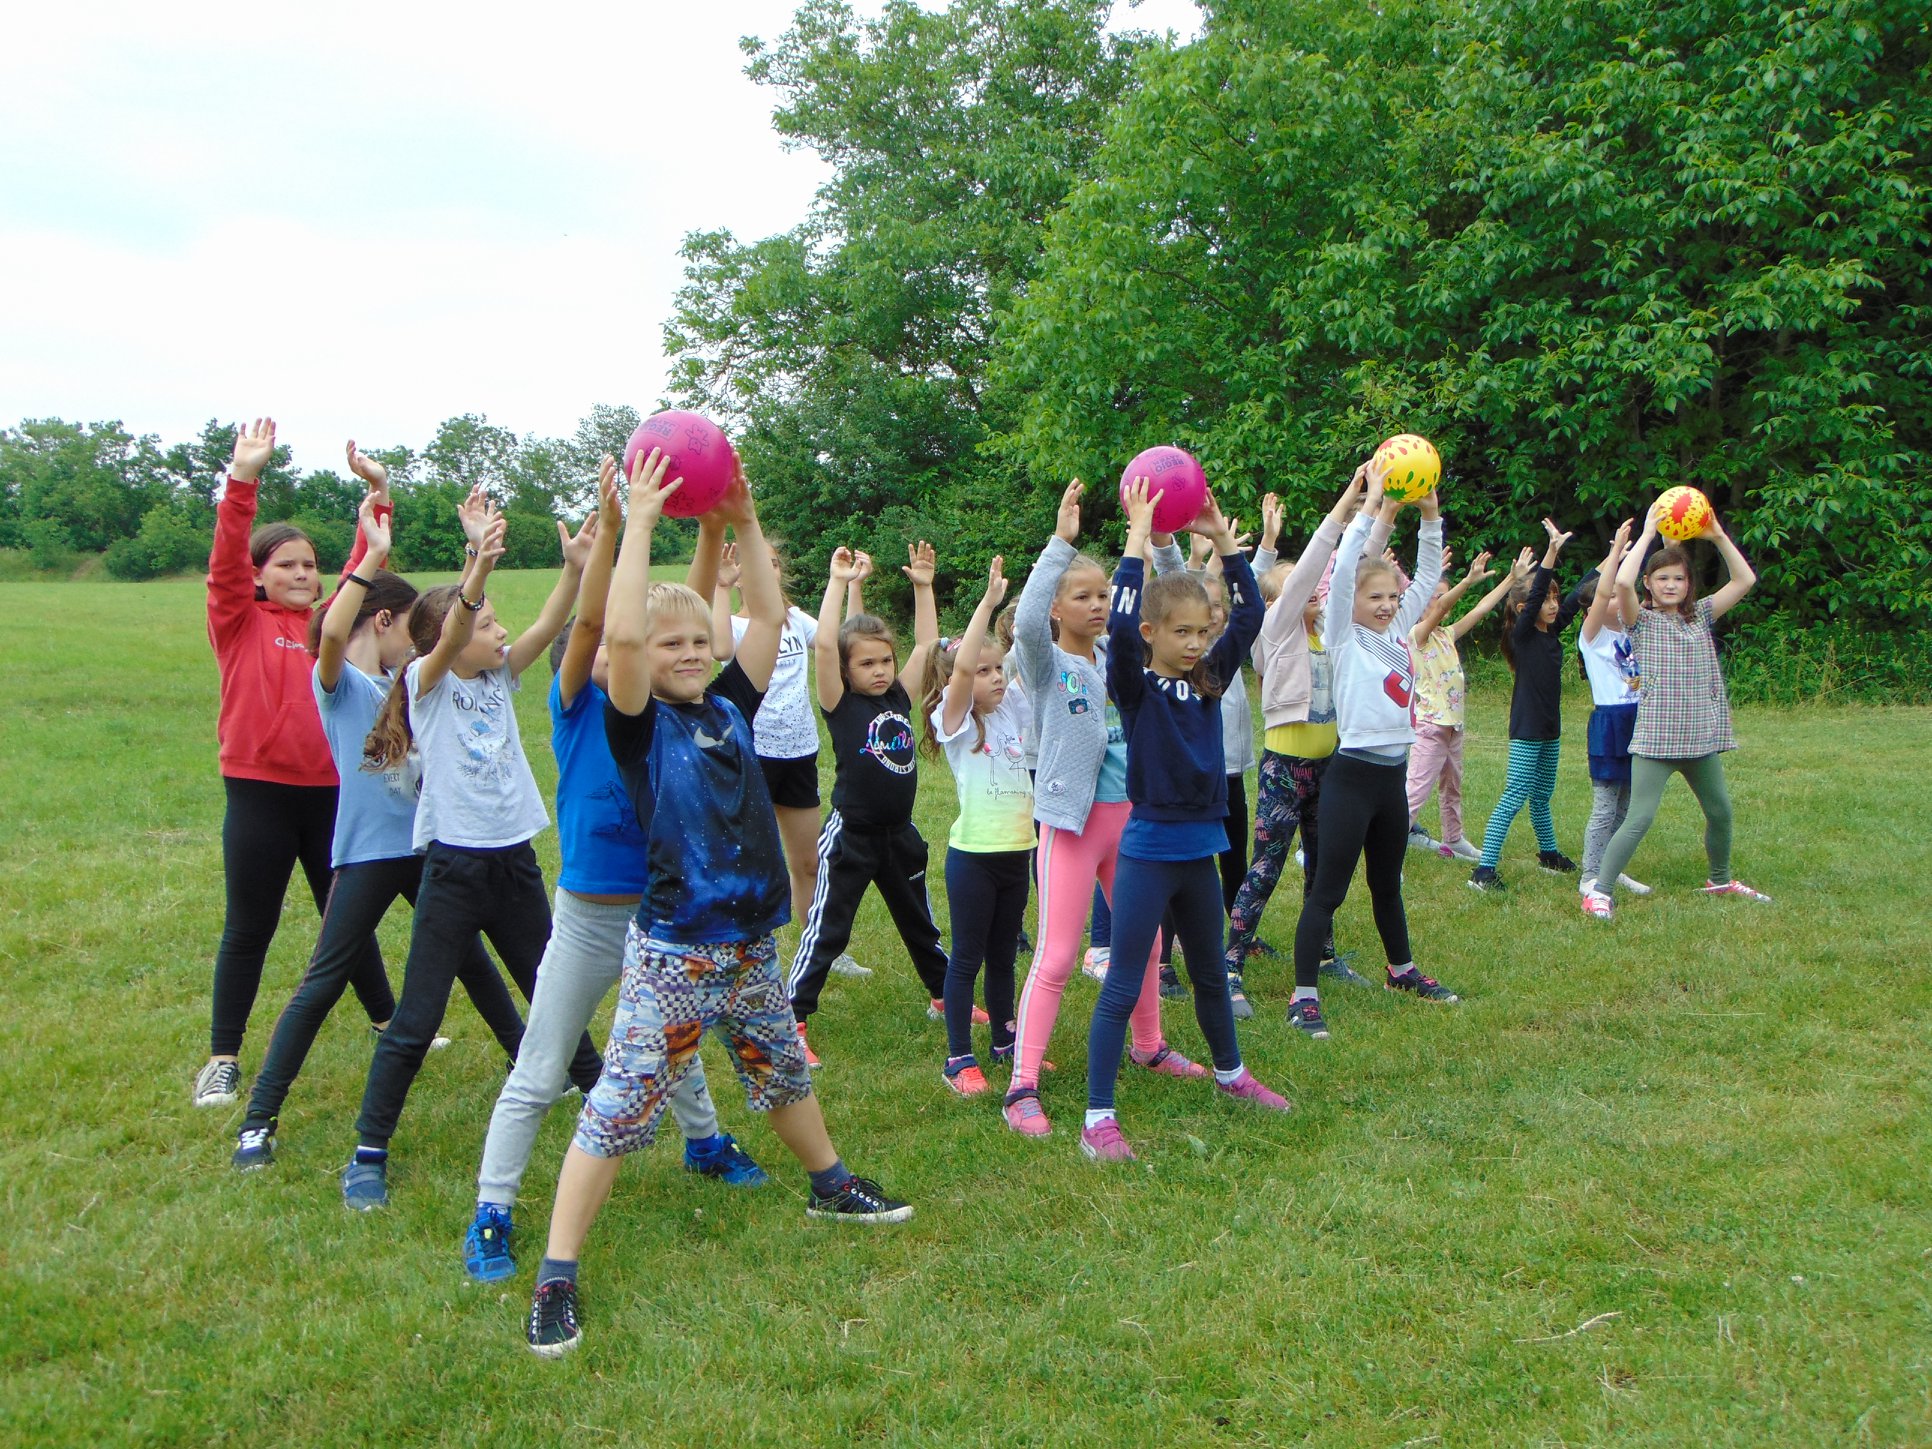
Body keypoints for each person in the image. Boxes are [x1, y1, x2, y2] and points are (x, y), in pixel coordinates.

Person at [526, 451, 911, 1359]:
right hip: (675, 953)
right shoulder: (636, 722)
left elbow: (768, 617)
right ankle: (556, 1275)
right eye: (674, 646)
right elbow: (623, 640)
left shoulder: (728, 705)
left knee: (781, 1073)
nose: (691, 654)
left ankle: (830, 1183)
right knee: (620, 1107)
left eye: (700, 642)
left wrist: (743, 518)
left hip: (748, 944)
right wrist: (639, 523)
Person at [463, 457, 765, 1284]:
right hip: (591, 918)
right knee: (542, 1064)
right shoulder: (578, 706)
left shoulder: (668, 707)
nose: (614, 648)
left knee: (675, 1044)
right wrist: (616, 531)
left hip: (665, 914)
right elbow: (600, 622)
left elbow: (681, 615)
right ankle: (493, 1208)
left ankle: (705, 1142)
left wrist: (708, 528)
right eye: (598, 647)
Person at [232, 474, 526, 1170]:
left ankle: (534, 1063)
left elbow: (454, 626)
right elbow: (334, 631)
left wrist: (476, 552)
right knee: (324, 980)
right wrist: (371, 552)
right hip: (366, 854)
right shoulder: (339, 686)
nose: (418, 643)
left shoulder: (415, 684)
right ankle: (259, 1119)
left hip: (427, 848)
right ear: (384, 621)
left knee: (473, 959)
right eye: (406, 629)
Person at [340, 498, 602, 1211]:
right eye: (488, 626)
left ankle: (603, 1098)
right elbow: (456, 625)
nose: (500, 632)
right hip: (454, 870)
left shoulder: (498, 677)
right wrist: (477, 564)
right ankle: (368, 1152)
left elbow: (546, 626)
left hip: (513, 864)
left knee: (554, 993)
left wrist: (574, 570)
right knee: (417, 1017)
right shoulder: (424, 684)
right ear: (448, 640)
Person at [1080, 478, 1290, 1162]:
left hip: (1201, 850)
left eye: (1203, 631)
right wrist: (1137, 538)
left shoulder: (1210, 678)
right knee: (1124, 982)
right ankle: (1097, 1118)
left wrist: (1224, 539)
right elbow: (1117, 625)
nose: (1197, 642)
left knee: (1208, 971)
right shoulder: (1135, 684)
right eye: (1182, 632)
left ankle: (1231, 1073)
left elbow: (1251, 613)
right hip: (1148, 850)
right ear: (1152, 634)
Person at [195, 422, 394, 1107]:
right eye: (286, 565)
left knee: (347, 917)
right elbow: (226, 558)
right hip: (260, 792)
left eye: (310, 565)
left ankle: (389, 1021)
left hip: (332, 793)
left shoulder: (325, 627)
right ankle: (223, 1057)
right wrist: (242, 481)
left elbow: (364, 570)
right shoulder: (237, 618)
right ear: (258, 575)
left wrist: (379, 493)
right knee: (250, 925)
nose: (303, 574)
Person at [1005, 480, 1201, 1140]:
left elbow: (1171, 601)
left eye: (1101, 595)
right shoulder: (1043, 663)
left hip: (1132, 825)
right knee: (1058, 955)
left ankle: (1149, 1045)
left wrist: (1162, 542)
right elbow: (1024, 623)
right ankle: (1021, 1084)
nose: (1095, 605)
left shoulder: (1127, 655)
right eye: (1082, 596)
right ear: (1058, 607)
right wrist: (1060, 543)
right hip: (1072, 826)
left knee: (1144, 943)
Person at [1288, 462, 1460, 1042]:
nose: (1387, 605)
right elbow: (1342, 573)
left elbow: (1429, 573)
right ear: (1352, 601)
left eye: (1392, 596)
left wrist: (1430, 515)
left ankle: (1401, 971)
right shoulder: (1342, 635)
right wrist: (1370, 506)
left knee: (1388, 884)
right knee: (1328, 891)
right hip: (1352, 777)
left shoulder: (1398, 631)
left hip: (1392, 779)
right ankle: (1303, 996)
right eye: (1375, 597)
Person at [784, 542, 960, 1063]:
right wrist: (838, 582)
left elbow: (926, 646)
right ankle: (793, 1019)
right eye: (866, 663)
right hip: (852, 837)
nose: (880, 670)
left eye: (885, 660)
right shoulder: (839, 703)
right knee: (827, 929)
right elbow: (823, 646)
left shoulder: (898, 696)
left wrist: (924, 588)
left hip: (899, 835)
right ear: (845, 669)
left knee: (920, 923)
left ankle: (943, 995)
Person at [1221, 475, 1383, 1018]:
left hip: (1330, 768)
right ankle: (1230, 964)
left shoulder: (1332, 634)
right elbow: (1319, 562)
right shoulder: (1275, 628)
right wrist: (1346, 503)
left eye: (1315, 585)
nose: (1314, 587)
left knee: (1324, 866)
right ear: (1276, 600)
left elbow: (1356, 566)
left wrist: (1379, 506)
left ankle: (1325, 954)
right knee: (1265, 868)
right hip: (1285, 768)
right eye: (1299, 585)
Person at [1582, 504, 1769, 920]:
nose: (1671, 584)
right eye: (1662, 578)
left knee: (1720, 813)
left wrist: (1717, 535)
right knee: (1638, 819)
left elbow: (1745, 580)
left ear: (1689, 585)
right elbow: (1623, 581)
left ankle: (1719, 880)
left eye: (1679, 578)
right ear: (1649, 584)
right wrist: (1648, 532)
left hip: (1700, 740)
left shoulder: (1700, 615)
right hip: (1656, 742)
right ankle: (1599, 891)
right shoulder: (1640, 621)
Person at [711, 539, 870, 980]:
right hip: (752, 756)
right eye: (757, 564)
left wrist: (852, 585)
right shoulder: (737, 627)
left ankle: (822, 949)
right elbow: (719, 649)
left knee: (808, 863)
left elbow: (840, 641)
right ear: (739, 575)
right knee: (747, 862)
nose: (769, 571)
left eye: (774, 564)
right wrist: (720, 588)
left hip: (799, 755)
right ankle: (740, 954)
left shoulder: (796, 620)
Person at [919, 557, 1034, 1097]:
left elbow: (1028, 657)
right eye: (984, 672)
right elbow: (963, 672)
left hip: (1017, 852)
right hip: (973, 859)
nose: (995, 678)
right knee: (967, 957)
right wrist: (988, 604)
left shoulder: (1011, 709)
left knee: (1004, 953)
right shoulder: (955, 719)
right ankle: (958, 1057)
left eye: (997, 670)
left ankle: (1005, 1042)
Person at [1469, 518, 1585, 890]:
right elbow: (1536, 596)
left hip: (1550, 728)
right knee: (1514, 795)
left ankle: (1548, 854)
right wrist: (1551, 551)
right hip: (1527, 729)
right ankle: (1483, 870)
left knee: (1542, 795)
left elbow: (1579, 595)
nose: (1552, 605)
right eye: (1544, 599)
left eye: (1553, 598)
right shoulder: (1523, 636)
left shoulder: (1551, 632)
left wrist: (1615, 557)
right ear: (1523, 608)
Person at [1403, 545, 1517, 859]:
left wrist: (1510, 579)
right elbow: (1441, 608)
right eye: (1435, 596)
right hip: (1430, 727)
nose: (1442, 601)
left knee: (1452, 787)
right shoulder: (1417, 635)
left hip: (1453, 726)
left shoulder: (1446, 634)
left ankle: (1453, 838)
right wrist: (1466, 581)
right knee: (1415, 791)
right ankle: (1391, 842)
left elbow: (1479, 610)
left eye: (1444, 594)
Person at [1574, 520, 1652, 899]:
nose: (1621, 601)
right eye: (1613, 599)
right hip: (1610, 725)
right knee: (1605, 807)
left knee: (1626, 807)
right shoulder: (1593, 637)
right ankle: (1590, 875)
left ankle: (1610, 868)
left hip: (1639, 722)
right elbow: (1606, 590)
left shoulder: (1635, 632)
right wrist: (1616, 552)